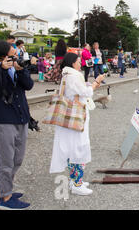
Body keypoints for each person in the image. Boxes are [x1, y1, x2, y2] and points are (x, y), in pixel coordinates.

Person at [49, 52, 104, 196]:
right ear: (73, 63)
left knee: (73, 148)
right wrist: (96, 82)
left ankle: (75, 180)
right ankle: (77, 184)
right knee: (78, 148)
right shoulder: (73, 76)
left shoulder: (68, 75)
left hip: (70, 119)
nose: (81, 64)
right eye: (79, 61)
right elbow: (86, 92)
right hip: (76, 119)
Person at [0, 40, 34, 209]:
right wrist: (2, 70)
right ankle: (6, 199)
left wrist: (21, 71)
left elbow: (29, 86)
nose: (16, 55)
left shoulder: (17, 66)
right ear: (3, 56)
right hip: (3, 120)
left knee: (18, 158)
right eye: (13, 54)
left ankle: (1, 192)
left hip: (21, 117)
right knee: (5, 161)